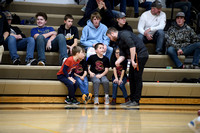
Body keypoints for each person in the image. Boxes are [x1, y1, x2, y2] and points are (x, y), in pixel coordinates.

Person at [106, 27, 149, 106]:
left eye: (110, 37)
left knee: (137, 77)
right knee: (132, 77)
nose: (111, 39)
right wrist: (118, 61)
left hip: (141, 55)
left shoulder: (124, 34)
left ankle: (136, 100)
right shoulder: (119, 41)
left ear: (112, 33)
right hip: (135, 56)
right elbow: (123, 55)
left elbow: (132, 47)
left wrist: (132, 60)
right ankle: (132, 99)